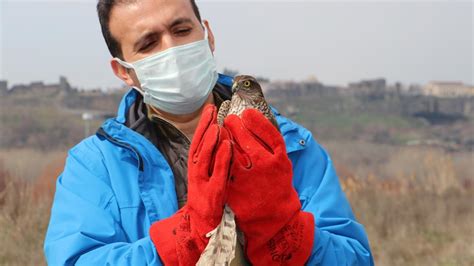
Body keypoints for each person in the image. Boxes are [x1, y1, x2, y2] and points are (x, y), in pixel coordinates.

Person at [44, 0, 374, 265]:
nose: (171, 49)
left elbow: (356, 258)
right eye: (148, 43)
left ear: (208, 36)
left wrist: (284, 231)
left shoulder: (290, 144)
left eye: (181, 29)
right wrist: (179, 240)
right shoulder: (93, 166)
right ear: (123, 71)